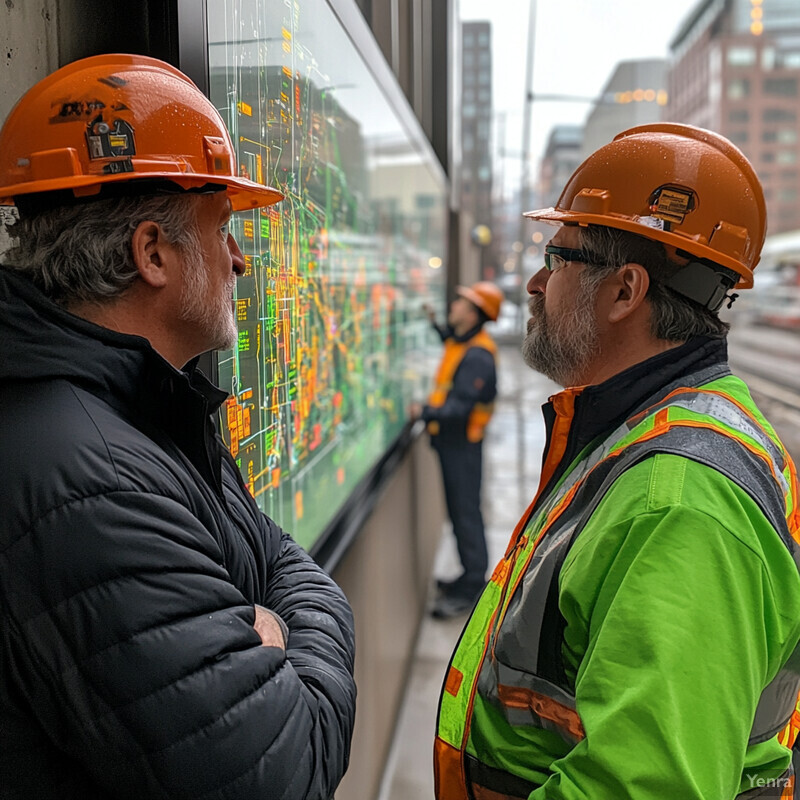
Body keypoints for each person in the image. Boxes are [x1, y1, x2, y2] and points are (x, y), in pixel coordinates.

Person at [0, 54, 356, 799]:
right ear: (152, 253)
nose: (240, 260)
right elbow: (287, 769)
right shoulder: (90, 478)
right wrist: (274, 625)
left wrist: (275, 628)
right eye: (222, 227)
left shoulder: (142, 411)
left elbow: (286, 562)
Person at [434, 123, 800, 800]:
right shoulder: (632, 431)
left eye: (557, 256)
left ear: (625, 291)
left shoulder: (681, 502)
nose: (537, 283)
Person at [411, 281, 503, 619]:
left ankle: (472, 587)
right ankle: (467, 576)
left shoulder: (478, 355)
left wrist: (424, 412)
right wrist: (433, 320)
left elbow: (459, 407)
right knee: (460, 512)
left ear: (474, 314)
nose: (455, 306)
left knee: (466, 513)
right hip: (454, 444)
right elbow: (448, 340)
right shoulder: (463, 343)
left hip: (463, 445)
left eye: (462, 303)